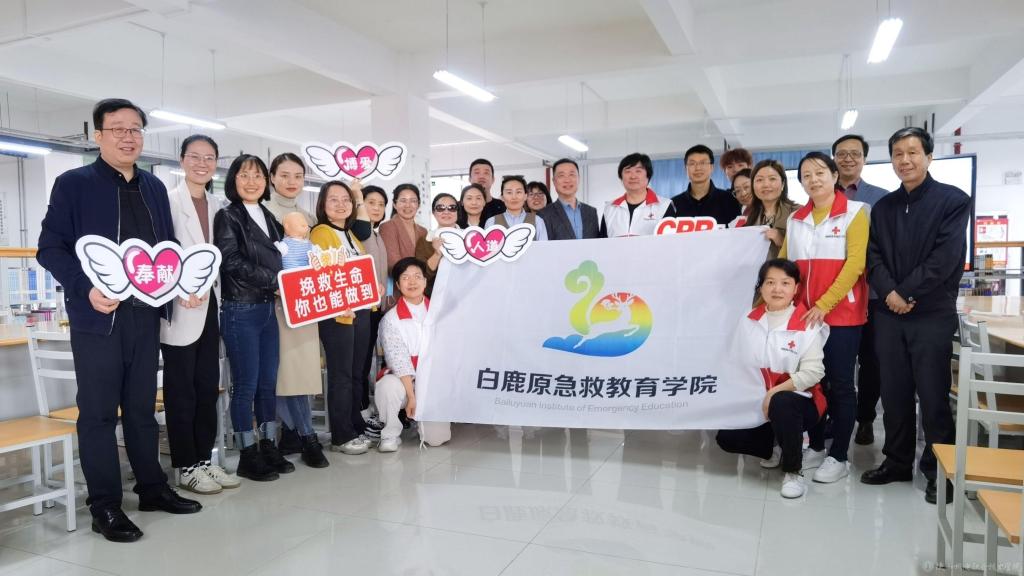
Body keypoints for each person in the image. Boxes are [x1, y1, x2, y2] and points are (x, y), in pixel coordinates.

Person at [37, 98, 201, 542]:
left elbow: (166, 248)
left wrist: (180, 283)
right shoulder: (74, 184)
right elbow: (49, 248)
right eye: (118, 129)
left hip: (145, 315)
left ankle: (152, 488)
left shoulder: (153, 188)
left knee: (143, 410)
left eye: (135, 129)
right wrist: (85, 288)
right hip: (98, 317)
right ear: (98, 135)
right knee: (98, 413)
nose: (128, 137)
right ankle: (105, 505)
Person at [860, 127, 970, 505]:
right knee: (894, 394)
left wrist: (904, 292)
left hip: (932, 313)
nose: (904, 160)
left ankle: (940, 471)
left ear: (928, 156)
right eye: (898, 154)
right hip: (889, 315)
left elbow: (945, 258)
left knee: (934, 395)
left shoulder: (953, 201)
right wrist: (890, 293)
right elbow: (873, 257)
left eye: (912, 152)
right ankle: (896, 462)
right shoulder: (884, 207)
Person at [778, 151, 868, 484]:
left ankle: (839, 455)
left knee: (841, 385)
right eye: (806, 175)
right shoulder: (796, 219)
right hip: (804, 318)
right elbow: (785, 266)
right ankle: (816, 445)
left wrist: (825, 304)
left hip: (842, 316)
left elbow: (855, 264)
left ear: (834, 176)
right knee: (810, 382)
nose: (813, 180)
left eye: (820, 173)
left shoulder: (855, 213)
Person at [159, 134, 238, 495]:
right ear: (182, 160)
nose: (202, 164)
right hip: (180, 307)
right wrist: (180, 287)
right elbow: (162, 252)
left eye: (209, 158)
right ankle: (185, 466)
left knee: (207, 387)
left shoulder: (219, 204)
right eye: (195, 156)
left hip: (211, 306)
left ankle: (204, 460)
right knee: (182, 391)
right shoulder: (167, 200)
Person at [716, 259, 828, 499]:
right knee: (726, 438)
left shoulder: (807, 323)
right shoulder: (748, 320)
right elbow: (734, 363)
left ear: (796, 288)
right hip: (756, 399)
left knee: (782, 403)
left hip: (799, 401)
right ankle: (773, 445)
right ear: (761, 287)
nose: (777, 289)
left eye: (785, 283)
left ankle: (793, 471)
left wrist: (773, 393)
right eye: (770, 283)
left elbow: (814, 372)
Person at [215, 154, 293, 482]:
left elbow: (284, 254)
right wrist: (275, 281)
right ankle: (247, 454)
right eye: (244, 175)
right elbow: (231, 261)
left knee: (267, 383)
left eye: (258, 176)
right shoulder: (228, 216)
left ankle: (268, 446)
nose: (252, 182)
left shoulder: (268, 215)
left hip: (267, 309)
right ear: (233, 179)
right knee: (245, 385)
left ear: (266, 181)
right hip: (240, 309)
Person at [263, 153, 328, 469]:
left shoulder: (309, 217)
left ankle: (294, 433)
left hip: (305, 306)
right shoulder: (263, 213)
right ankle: (304, 435)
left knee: (302, 372)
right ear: (272, 177)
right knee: (281, 373)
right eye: (284, 175)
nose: (291, 182)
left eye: (298, 176)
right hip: (275, 305)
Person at [311, 180, 377, 455]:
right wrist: (338, 303)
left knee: (355, 373)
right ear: (322, 205)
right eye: (333, 199)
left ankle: (355, 425)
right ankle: (341, 435)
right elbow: (321, 275)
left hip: (359, 311)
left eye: (346, 199)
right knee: (340, 375)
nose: (341, 204)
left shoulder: (350, 234)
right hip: (337, 314)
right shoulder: (321, 232)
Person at [831, 134, 889, 446]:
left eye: (855, 153)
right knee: (832, 360)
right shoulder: (821, 196)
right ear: (834, 159)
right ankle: (832, 416)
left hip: (873, 293)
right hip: (833, 294)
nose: (848, 159)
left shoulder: (881, 198)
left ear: (864, 159)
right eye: (842, 153)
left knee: (871, 360)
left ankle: (865, 418)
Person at [375, 257, 452, 452]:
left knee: (436, 440)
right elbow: (399, 362)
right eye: (405, 277)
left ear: (425, 282)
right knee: (387, 386)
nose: (412, 282)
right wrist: (412, 396)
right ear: (398, 285)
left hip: (433, 380)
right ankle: (390, 433)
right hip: (405, 381)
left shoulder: (439, 313)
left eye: (417, 276)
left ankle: (423, 422)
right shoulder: (390, 319)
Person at [359, 184, 390, 425]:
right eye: (371, 203)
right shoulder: (359, 233)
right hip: (362, 307)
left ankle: (365, 405)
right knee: (360, 361)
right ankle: (360, 409)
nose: (377, 208)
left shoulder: (376, 234)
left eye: (381, 204)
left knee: (367, 358)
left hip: (377, 307)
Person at [600, 152, 672, 237]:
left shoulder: (664, 206)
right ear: (621, 177)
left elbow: (671, 241)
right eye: (627, 171)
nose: (633, 176)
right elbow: (601, 241)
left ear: (648, 176)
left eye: (638, 171)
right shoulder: (610, 208)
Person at [669, 144, 741, 226]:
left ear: (712, 167)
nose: (698, 168)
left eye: (703, 163)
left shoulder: (730, 200)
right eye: (692, 164)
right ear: (686, 169)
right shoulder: (673, 204)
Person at [744, 160, 799, 260]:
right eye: (759, 180)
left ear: (783, 184)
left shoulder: (798, 212)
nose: (766, 184)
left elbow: (807, 250)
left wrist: (782, 241)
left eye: (772, 179)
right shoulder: (750, 215)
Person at [538, 158, 600, 240]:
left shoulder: (591, 212)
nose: (567, 180)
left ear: (578, 178)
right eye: (561, 175)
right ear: (554, 181)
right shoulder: (544, 215)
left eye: (572, 174)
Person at [379, 183, 428, 276]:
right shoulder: (387, 227)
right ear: (394, 204)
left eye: (413, 201)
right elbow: (393, 264)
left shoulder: (423, 231)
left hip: (421, 282)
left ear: (418, 204)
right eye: (403, 200)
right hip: (401, 282)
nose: (408, 205)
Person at [416, 193, 459, 295]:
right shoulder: (425, 240)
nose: (446, 212)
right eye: (440, 208)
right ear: (434, 212)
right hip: (435, 296)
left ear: (457, 211)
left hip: (465, 294)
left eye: (452, 208)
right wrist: (436, 255)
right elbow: (422, 276)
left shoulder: (469, 237)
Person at [485, 175, 548, 240]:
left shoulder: (537, 221)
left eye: (518, 192)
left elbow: (544, 246)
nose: (514, 197)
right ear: (502, 197)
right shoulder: (491, 222)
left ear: (525, 196)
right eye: (509, 192)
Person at [468, 158, 506, 223]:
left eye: (486, 173)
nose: (481, 176)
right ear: (469, 179)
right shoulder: (459, 208)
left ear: (493, 179)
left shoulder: (503, 207)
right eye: (477, 172)